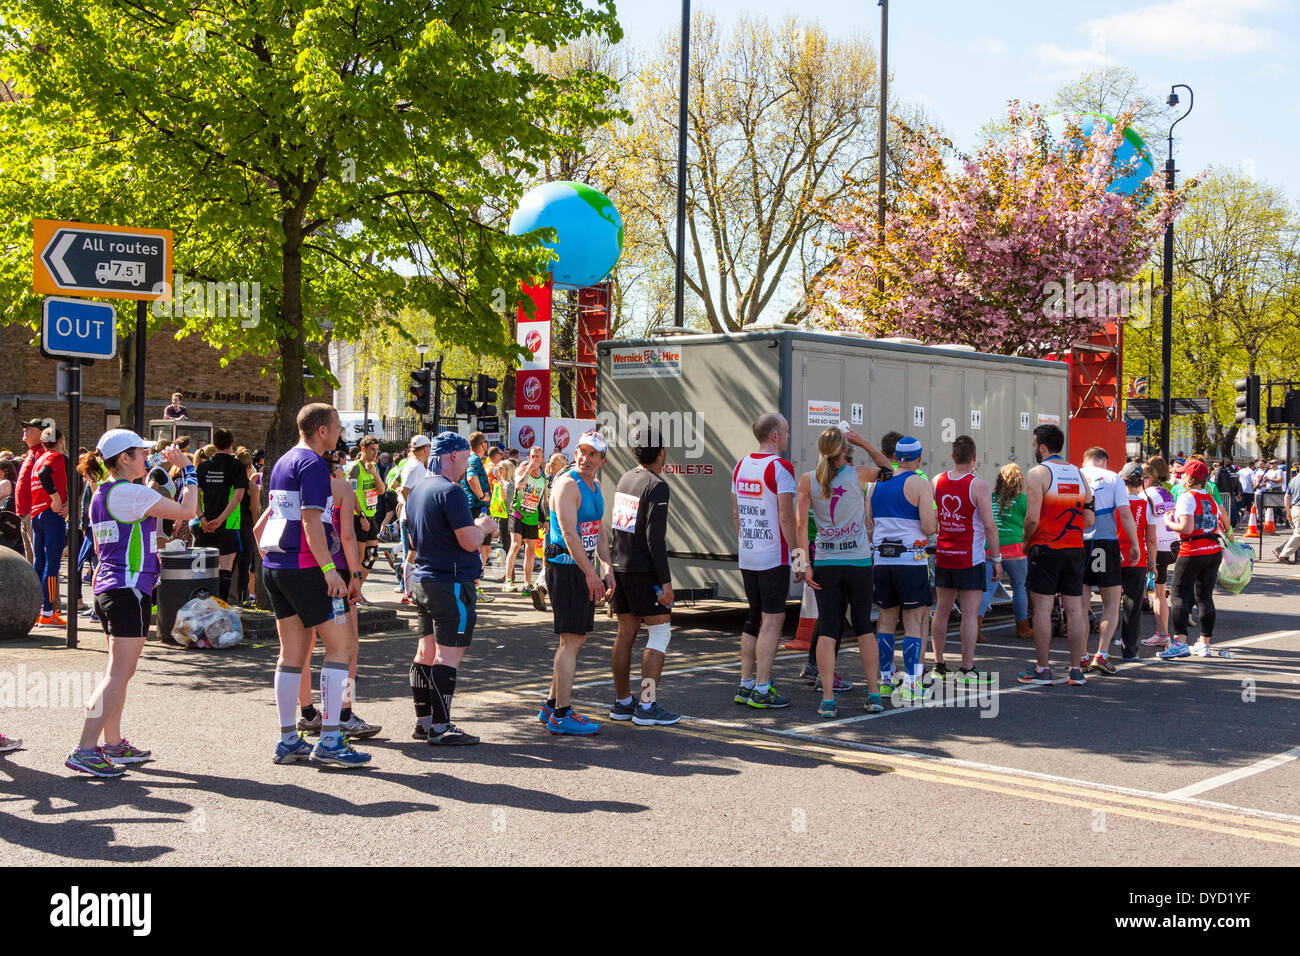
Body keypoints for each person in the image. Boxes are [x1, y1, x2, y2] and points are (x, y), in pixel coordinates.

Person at [64, 432, 198, 777]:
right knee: (118, 674)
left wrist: (160, 540)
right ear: (124, 458)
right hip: (128, 590)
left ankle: (112, 743)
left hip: (112, 588)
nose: (146, 459)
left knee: (119, 673)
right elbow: (189, 509)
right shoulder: (130, 492)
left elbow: (123, 537)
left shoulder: (103, 492)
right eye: (141, 453)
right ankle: (85, 748)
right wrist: (189, 471)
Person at [255, 403, 370, 768]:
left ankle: (289, 738)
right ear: (322, 430)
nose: (340, 434)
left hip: (278, 565)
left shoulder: (284, 461)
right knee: (341, 647)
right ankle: (332, 738)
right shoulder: (314, 466)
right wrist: (330, 571)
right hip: (306, 567)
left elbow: (273, 519)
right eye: (337, 428)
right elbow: (311, 522)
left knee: (291, 655)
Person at [405, 433, 497, 745]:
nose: (470, 461)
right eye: (466, 454)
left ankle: (424, 722)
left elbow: (416, 541)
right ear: (454, 455)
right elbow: (469, 540)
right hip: (450, 582)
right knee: (446, 656)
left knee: (425, 652)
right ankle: (441, 728)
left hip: (425, 578)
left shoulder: (418, 490)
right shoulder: (451, 492)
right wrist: (483, 527)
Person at [796, 426, 883, 717]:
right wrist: (863, 441)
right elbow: (890, 470)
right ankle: (873, 695)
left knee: (829, 629)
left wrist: (802, 563)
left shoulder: (808, 479)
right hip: (858, 562)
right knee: (863, 628)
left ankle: (828, 699)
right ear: (844, 449)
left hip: (826, 563)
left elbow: (799, 525)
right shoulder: (858, 474)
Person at [296, 452, 381, 740]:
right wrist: (355, 576)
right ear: (335, 470)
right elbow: (347, 537)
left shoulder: (295, 487)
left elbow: (261, 530)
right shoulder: (341, 488)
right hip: (338, 572)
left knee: (303, 648)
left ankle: (307, 713)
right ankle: (343, 713)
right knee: (347, 647)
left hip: (302, 569)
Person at [539, 431, 613, 735]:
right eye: (581, 451)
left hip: (580, 570)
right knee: (571, 641)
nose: (585, 458)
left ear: (602, 460)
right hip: (566, 568)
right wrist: (591, 573)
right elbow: (569, 534)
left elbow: (599, 530)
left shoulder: (594, 485)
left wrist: (608, 567)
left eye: (592, 454)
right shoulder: (568, 483)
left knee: (573, 640)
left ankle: (552, 705)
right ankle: (561, 713)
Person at [608, 429, 681, 726]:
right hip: (643, 570)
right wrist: (665, 581)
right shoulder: (657, 486)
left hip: (621, 564)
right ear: (661, 452)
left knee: (625, 633)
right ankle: (648, 706)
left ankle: (623, 701)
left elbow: (619, 527)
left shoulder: (625, 479)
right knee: (660, 633)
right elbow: (655, 539)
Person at [1018, 424, 1094, 687]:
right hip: (1074, 547)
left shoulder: (1038, 473)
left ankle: (1043, 668)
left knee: (1042, 609)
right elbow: (1089, 515)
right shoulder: (1077, 473)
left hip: (1046, 547)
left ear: (1041, 446)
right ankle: (1075, 669)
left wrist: (1026, 542)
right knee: (1075, 609)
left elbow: (1031, 518)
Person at [731, 413, 797, 710]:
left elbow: (736, 515)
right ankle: (761, 687)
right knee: (773, 618)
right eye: (785, 431)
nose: (787, 435)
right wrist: (798, 555)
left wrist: (745, 545)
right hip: (774, 553)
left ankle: (745, 684)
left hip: (749, 551)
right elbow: (785, 516)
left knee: (753, 615)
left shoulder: (740, 465)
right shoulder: (781, 468)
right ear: (774, 436)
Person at [866, 436, 937, 701]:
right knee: (913, 622)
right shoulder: (919, 484)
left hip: (882, 561)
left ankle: (885, 680)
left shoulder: (876, 486)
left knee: (885, 620)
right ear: (918, 459)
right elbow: (929, 527)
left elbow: (869, 525)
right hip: (911, 560)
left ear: (896, 458)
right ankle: (910, 682)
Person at [929, 435, 999, 684]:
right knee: (969, 613)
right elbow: (990, 525)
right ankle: (967, 668)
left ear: (952, 456)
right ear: (974, 457)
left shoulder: (937, 481)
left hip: (945, 555)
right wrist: (998, 557)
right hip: (970, 558)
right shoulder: (977, 485)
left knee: (942, 610)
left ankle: (938, 664)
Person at [1158, 459, 1230, 659]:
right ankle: (1204, 643)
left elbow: (1186, 528)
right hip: (1212, 549)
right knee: (1204, 596)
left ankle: (1180, 641)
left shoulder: (1186, 497)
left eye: (1183, 474)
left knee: (1179, 595)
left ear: (1190, 477)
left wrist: (1168, 521)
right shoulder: (1210, 497)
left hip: (1192, 549)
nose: (1181, 477)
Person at [1080, 447, 1138, 676]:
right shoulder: (1113, 477)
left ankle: (1081, 655)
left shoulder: (1075, 474)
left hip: (1078, 543)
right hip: (1105, 543)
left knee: (1079, 606)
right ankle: (1101, 654)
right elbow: (1125, 513)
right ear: (1104, 461)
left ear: (1085, 460)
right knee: (1112, 603)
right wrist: (1134, 543)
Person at [195, 428, 247, 602]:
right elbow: (238, 497)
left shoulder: (202, 466)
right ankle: (222, 604)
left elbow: (195, 495)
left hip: (205, 524)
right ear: (232, 444)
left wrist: (202, 518)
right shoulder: (238, 467)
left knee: (203, 569)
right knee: (225, 568)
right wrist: (221, 520)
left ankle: (202, 604)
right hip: (228, 524)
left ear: (214, 444)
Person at [979, 463, 1031, 640]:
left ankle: (975, 628)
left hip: (991, 549)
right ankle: (1022, 628)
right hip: (1016, 550)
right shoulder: (1023, 500)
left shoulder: (990, 498)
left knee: (987, 590)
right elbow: (1031, 523)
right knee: (1019, 588)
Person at [1116, 463, 1157, 663]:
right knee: (1132, 606)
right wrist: (1153, 563)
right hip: (1137, 557)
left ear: (1122, 480)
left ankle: (1101, 650)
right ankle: (1130, 650)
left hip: (1114, 555)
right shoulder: (1146, 504)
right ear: (1141, 482)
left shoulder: (1115, 501)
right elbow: (1151, 539)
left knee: (1110, 605)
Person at [30, 425, 70, 627]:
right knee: (52, 563)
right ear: (60, 440)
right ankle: (48, 612)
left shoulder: (39, 459)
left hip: (36, 514)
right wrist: (55, 497)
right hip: (51, 514)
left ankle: (37, 609)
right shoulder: (56, 458)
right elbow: (46, 475)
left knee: (40, 562)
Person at [1140, 460, 1180, 649]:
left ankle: (1162, 633)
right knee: (1159, 593)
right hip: (1171, 546)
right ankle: (1162, 633)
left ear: (1147, 479)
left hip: (1155, 548)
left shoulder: (1145, 495)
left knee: (1156, 594)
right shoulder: (1168, 492)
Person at [343, 435, 386, 598]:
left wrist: (374, 474)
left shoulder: (373, 466)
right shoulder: (355, 467)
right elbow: (351, 491)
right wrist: (360, 515)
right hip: (357, 516)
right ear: (363, 449)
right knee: (359, 557)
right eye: (372, 450)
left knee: (372, 555)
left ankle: (357, 589)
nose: (375, 453)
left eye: (377, 450)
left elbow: (381, 490)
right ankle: (351, 590)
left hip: (371, 515)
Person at [503, 446, 546, 595]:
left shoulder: (543, 477)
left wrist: (544, 519)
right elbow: (519, 486)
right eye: (532, 456)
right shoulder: (521, 469)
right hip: (517, 513)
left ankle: (527, 583)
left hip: (532, 516)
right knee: (515, 545)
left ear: (542, 459)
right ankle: (508, 580)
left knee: (531, 550)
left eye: (538, 456)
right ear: (529, 457)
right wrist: (528, 471)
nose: (534, 459)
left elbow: (542, 500)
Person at [397, 434, 433, 604]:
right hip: (412, 516)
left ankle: (410, 590)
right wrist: (413, 509)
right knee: (413, 553)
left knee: (414, 553)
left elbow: (398, 487)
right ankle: (409, 591)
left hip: (411, 515)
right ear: (425, 448)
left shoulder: (412, 464)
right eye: (429, 447)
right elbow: (404, 490)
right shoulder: (416, 466)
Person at [15, 419, 46, 565]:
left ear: (41, 433)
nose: (24, 429)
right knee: (31, 562)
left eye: (29, 427)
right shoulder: (31, 452)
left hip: (34, 513)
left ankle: (45, 589)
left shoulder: (41, 452)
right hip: (25, 514)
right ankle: (36, 588)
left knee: (39, 560)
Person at [1275, 467, 1300, 564]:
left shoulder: (1293, 480)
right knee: (1298, 534)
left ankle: (1282, 551)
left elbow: (1287, 496)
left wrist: (1288, 511)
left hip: (1294, 508)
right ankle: (1283, 553)